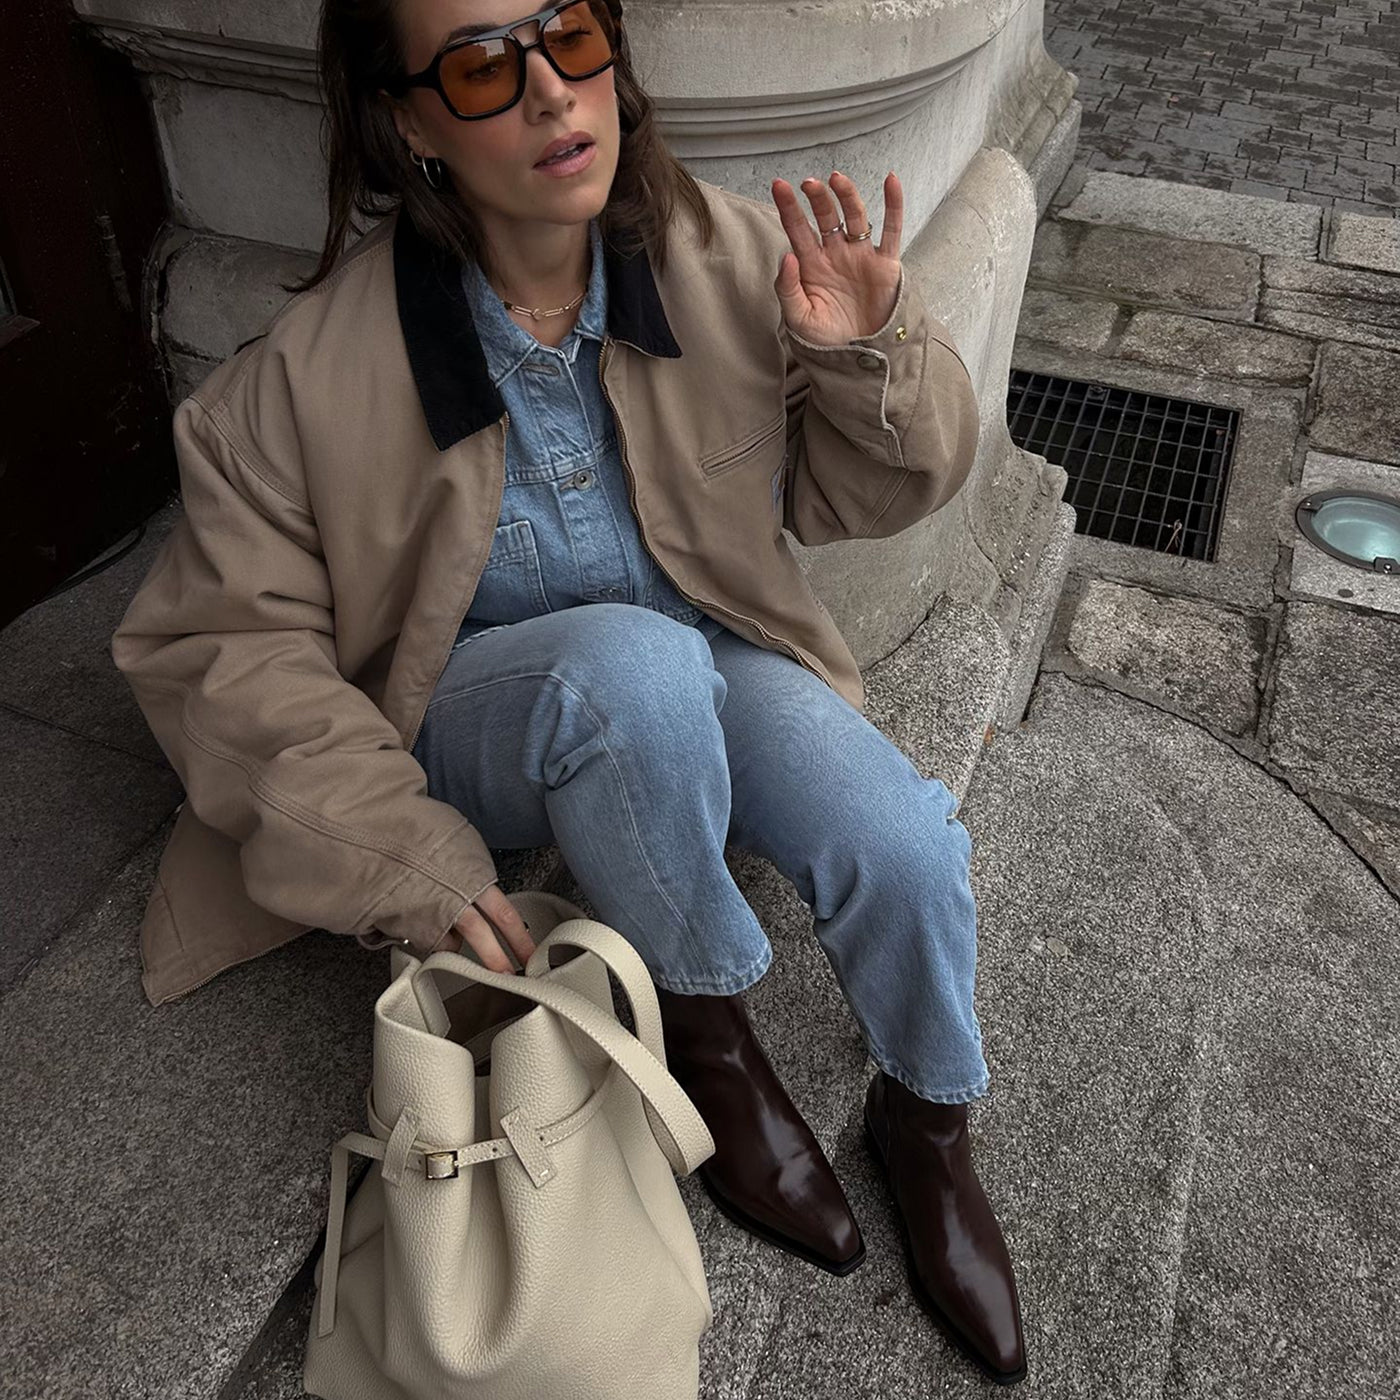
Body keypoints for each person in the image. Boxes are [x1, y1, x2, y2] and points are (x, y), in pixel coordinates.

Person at [111, 0, 1025, 1384]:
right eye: (484, 65)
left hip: (700, 655)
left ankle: (930, 1122)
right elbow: (223, 654)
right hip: (471, 715)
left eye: (571, 36)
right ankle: (707, 1032)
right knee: (624, 674)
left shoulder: (727, 258)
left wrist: (869, 354)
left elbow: (864, 491)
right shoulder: (301, 385)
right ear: (409, 120)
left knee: (901, 838)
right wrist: (401, 854)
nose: (550, 92)